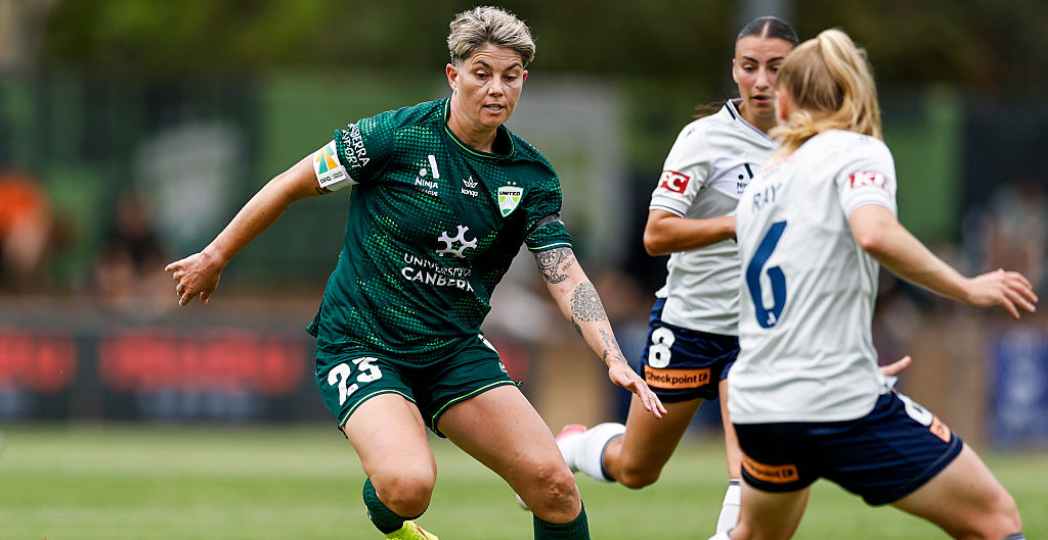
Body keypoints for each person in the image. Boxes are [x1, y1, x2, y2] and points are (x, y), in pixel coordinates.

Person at [165, 6, 665, 540]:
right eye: (482, 73)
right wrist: (216, 255)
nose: (496, 89)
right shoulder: (395, 137)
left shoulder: (530, 176)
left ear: (524, 80)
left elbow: (564, 274)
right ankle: (391, 508)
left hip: (452, 349)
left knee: (554, 485)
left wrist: (612, 353)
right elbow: (292, 183)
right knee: (408, 487)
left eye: (510, 76)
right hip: (364, 342)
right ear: (454, 75)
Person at [717, 29, 1035, 540]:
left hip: (759, 405)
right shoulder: (855, 150)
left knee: (754, 535)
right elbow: (874, 232)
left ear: (784, 99)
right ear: (855, 92)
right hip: (834, 400)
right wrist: (967, 287)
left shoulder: (763, 182)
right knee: (996, 520)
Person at [552, 17, 799, 535]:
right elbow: (656, 234)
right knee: (636, 468)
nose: (760, 80)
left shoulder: (811, 145)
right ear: (734, 69)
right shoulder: (705, 139)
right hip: (689, 325)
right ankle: (574, 445)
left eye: (775, 68)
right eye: (749, 66)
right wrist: (738, 224)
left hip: (760, 333)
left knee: (750, 468)